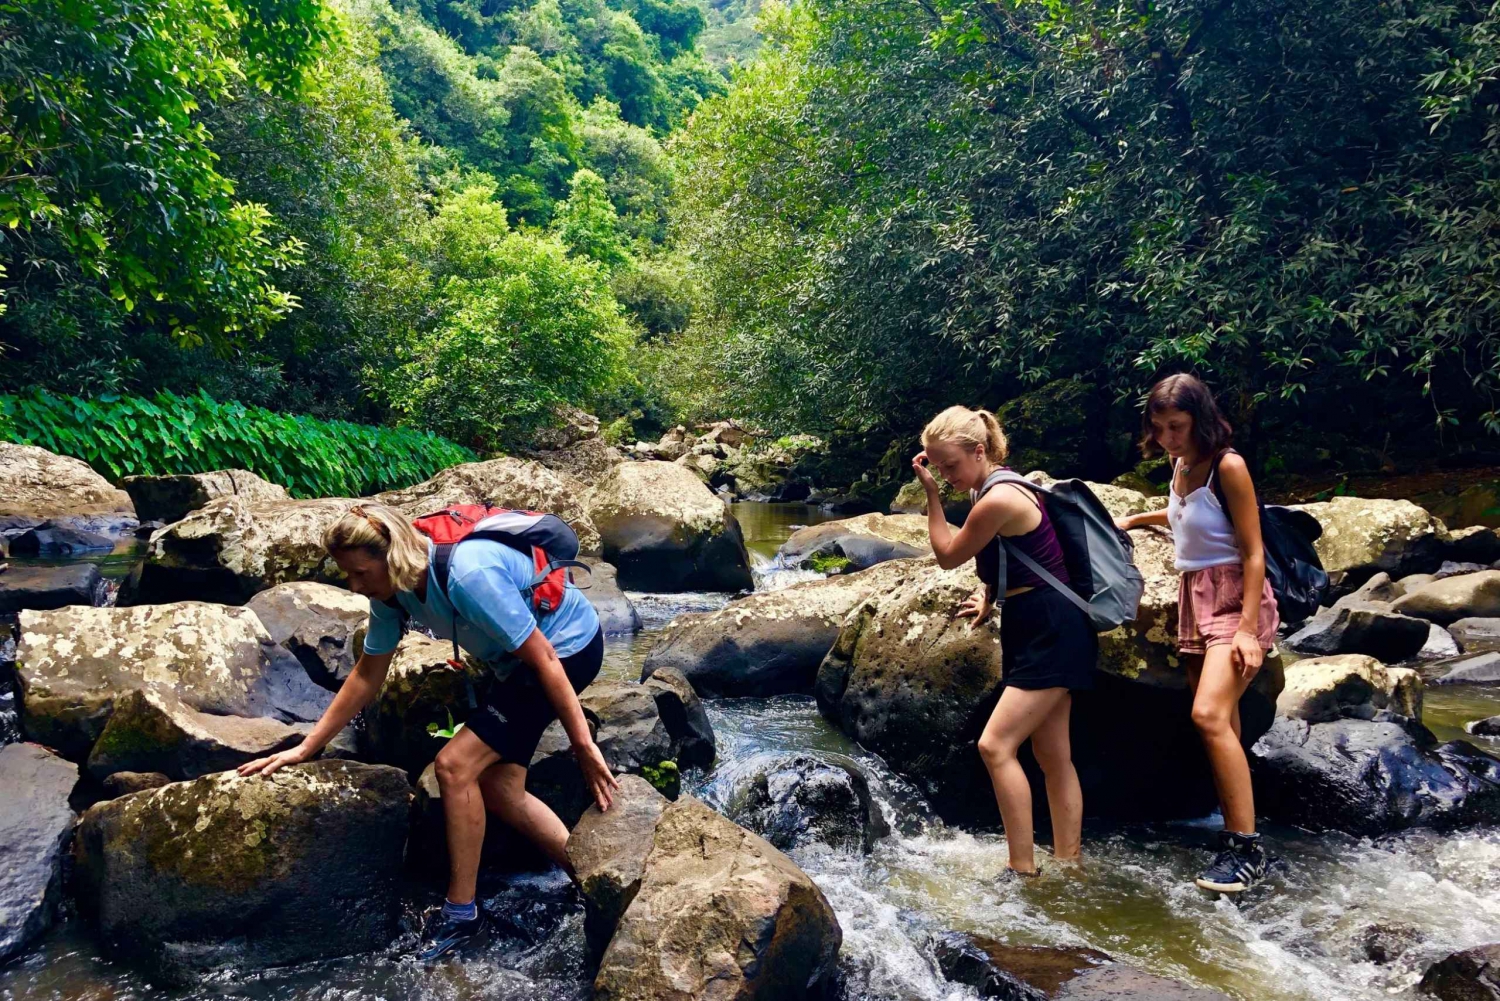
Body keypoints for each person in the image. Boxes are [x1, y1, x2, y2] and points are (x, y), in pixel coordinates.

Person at [237, 503, 617, 959]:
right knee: (500, 786)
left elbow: (546, 660)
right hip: (517, 665)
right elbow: (366, 674)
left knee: (454, 766)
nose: (356, 587)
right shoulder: (393, 593)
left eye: (360, 573)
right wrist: (307, 747)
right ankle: (590, 883)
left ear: (392, 556)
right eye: (348, 577)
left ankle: (461, 913)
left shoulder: (467, 576)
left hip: (567, 649)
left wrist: (583, 746)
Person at [913, 406, 1096, 877]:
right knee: (1053, 754)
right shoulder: (993, 485)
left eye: (950, 465)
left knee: (995, 746)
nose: (946, 475)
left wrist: (931, 496)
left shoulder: (998, 497)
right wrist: (990, 597)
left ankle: (1022, 871)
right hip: (1037, 620)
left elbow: (948, 556)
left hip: (1051, 626)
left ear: (979, 451)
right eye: (937, 467)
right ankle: (1068, 864)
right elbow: (1021, 554)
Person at [1114, 373, 1278, 894]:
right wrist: (1140, 517)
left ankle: (1248, 851)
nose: (1168, 437)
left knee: (1206, 715)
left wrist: (1249, 631)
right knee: (1221, 726)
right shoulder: (1179, 464)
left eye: (1177, 426)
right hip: (1194, 597)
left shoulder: (1228, 465)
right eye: (1159, 428)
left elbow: (1253, 551)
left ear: (1200, 419)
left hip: (1233, 598)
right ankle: (1234, 832)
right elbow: (1186, 513)